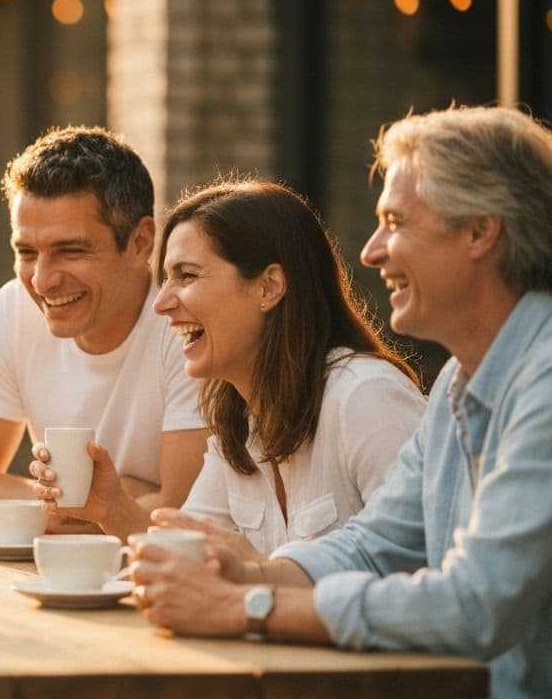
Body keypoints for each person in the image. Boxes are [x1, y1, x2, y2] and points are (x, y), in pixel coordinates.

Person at [130, 106, 552, 699]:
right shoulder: (457, 386)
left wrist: (245, 607)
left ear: (479, 231)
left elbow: (475, 607)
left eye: (395, 222)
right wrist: (243, 575)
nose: (370, 251)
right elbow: (370, 546)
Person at [37, 179, 424, 547]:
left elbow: (421, 565)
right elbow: (187, 554)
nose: (162, 303)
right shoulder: (236, 426)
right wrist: (111, 506)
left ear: (269, 286)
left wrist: (256, 576)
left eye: (186, 275)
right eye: (166, 279)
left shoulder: (366, 397)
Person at [0, 126, 207, 537]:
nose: (42, 281)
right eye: (26, 252)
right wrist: (94, 504)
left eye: (71, 251)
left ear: (140, 242)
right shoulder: (14, 311)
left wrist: (24, 505)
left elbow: (182, 519)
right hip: (55, 582)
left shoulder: (187, 330)